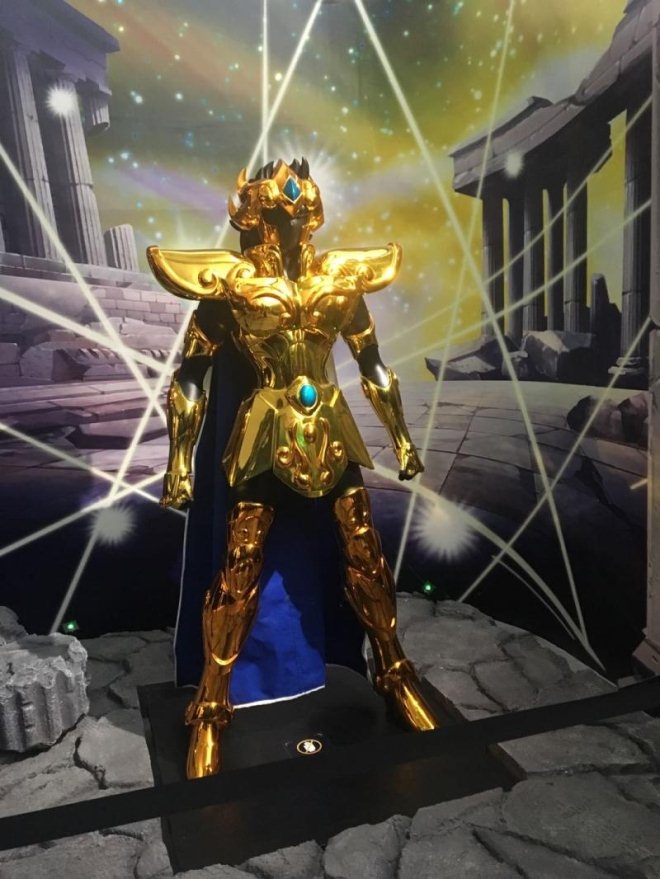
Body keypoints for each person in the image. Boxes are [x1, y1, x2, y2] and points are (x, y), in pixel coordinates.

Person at [148, 157, 440, 779]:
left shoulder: (340, 282)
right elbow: (190, 378)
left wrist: (402, 441)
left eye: (298, 212)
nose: (287, 225)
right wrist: (179, 463)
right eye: (276, 214)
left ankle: (393, 670)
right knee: (239, 568)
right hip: (262, 432)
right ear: (251, 218)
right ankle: (212, 705)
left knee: (364, 551)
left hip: (329, 428)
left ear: (312, 214)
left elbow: (373, 364)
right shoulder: (229, 288)